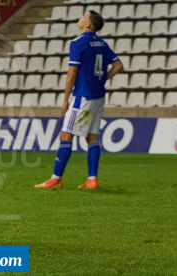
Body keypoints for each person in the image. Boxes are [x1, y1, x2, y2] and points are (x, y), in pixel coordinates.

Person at [35, 11, 124, 189]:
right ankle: (92, 179)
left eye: (85, 16)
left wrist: (66, 99)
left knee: (66, 134)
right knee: (92, 136)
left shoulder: (78, 43)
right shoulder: (102, 44)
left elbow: (72, 73)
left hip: (83, 96)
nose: (81, 17)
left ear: (88, 25)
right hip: (99, 96)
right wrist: (103, 79)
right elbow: (119, 65)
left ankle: (55, 179)